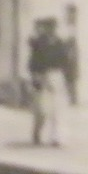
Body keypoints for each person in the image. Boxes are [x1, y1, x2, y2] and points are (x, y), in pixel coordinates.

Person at [27, 16, 70, 146]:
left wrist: (66, 79)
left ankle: (56, 137)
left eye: (53, 27)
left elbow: (65, 62)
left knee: (57, 108)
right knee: (42, 109)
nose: (51, 30)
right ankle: (37, 131)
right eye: (48, 27)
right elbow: (33, 63)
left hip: (57, 76)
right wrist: (36, 78)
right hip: (43, 76)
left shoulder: (60, 43)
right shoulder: (38, 44)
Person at [62, 2, 80, 106]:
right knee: (68, 76)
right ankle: (70, 98)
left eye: (72, 13)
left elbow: (74, 41)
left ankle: (73, 99)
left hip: (73, 53)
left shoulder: (75, 26)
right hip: (67, 52)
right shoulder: (66, 26)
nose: (70, 16)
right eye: (69, 13)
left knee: (73, 77)